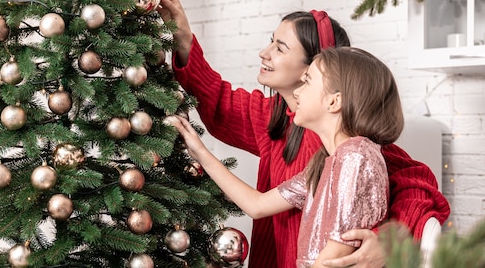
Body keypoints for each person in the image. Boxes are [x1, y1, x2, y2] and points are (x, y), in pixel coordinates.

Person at [157, 0, 450, 268]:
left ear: (318, 67)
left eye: (280, 48)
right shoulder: (277, 118)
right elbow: (219, 102)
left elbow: (416, 184)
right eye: (270, 42)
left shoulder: (350, 146)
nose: (264, 53)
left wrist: (390, 240)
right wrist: (183, 40)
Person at [170, 46, 404, 267]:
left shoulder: (355, 158)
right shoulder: (326, 162)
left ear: (334, 101)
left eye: (307, 82)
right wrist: (199, 151)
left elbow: (331, 260)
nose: (298, 92)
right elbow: (257, 205)